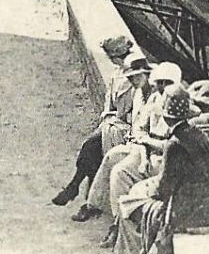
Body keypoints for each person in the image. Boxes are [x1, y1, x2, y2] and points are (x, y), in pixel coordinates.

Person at [112, 85, 209, 254]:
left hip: (185, 210)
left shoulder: (174, 144)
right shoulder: (199, 135)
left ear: (167, 118)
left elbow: (164, 189)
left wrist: (146, 191)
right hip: (207, 203)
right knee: (140, 202)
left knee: (130, 210)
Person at [75, 61, 181, 226]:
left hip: (164, 157)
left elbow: (173, 143)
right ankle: (97, 207)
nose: (162, 87)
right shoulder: (152, 97)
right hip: (144, 149)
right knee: (110, 157)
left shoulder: (179, 103)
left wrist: (145, 142)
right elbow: (140, 129)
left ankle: (119, 222)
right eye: (160, 82)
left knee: (120, 171)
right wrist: (144, 154)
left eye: (168, 83)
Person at [53, 51, 151, 207]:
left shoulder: (149, 95)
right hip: (120, 129)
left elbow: (137, 121)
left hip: (131, 136)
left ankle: (84, 196)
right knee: (90, 146)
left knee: (97, 149)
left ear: (146, 74)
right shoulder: (137, 90)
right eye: (131, 77)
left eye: (136, 76)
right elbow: (112, 107)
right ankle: (77, 188)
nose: (132, 80)